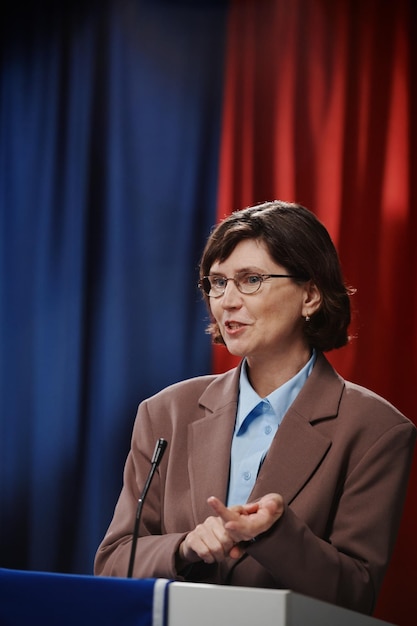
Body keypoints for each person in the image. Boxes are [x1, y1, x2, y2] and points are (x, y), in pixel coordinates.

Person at [94, 200, 416, 615]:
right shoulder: (165, 412)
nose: (226, 300)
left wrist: (273, 534)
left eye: (250, 280)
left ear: (311, 295)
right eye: (216, 282)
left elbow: (355, 595)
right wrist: (183, 546)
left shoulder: (377, 430)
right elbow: (113, 562)